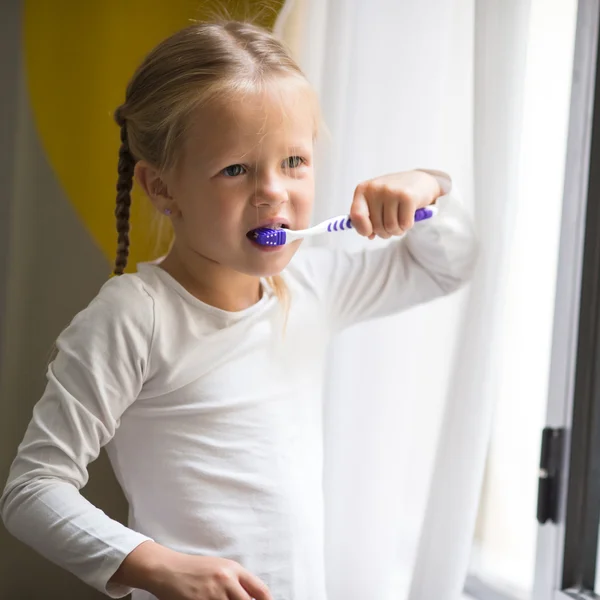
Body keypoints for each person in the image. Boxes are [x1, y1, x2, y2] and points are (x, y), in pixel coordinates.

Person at [0, 19, 478, 600]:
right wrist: (156, 565)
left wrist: (428, 184)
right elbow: (32, 490)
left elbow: (447, 265)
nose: (273, 191)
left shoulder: (311, 285)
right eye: (236, 169)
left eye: (294, 162)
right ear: (162, 188)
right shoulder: (135, 317)